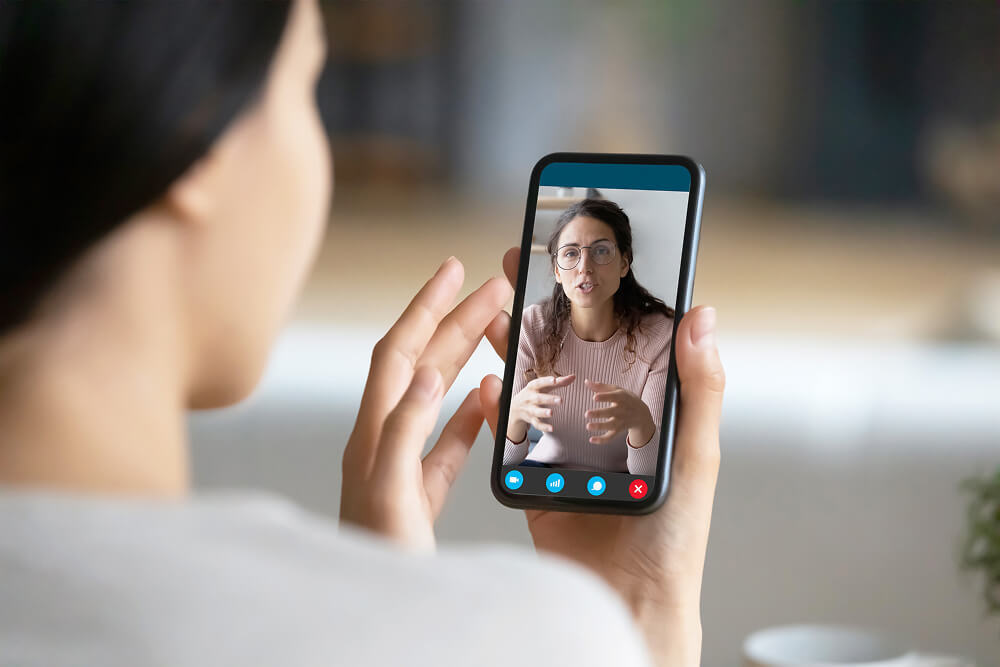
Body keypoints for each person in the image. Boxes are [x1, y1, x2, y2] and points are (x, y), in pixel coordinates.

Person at [0, 2, 726, 666]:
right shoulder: (535, 637)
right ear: (199, 140)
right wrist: (633, 609)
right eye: (306, 86)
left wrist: (381, 602)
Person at [503, 198, 673, 475]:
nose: (585, 266)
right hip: (543, 472)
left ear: (624, 263)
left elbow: (647, 476)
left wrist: (642, 422)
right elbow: (507, 465)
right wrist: (513, 417)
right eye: (570, 253)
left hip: (622, 482)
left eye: (601, 251)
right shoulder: (532, 324)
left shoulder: (661, 333)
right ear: (557, 270)